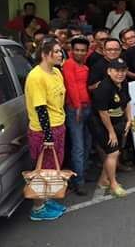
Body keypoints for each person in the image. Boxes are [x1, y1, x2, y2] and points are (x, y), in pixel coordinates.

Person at [25, 39, 67, 221]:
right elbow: (40, 109)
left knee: (53, 170)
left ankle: (46, 200)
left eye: (60, 51)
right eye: (56, 51)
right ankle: (38, 209)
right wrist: (48, 136)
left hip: (59, 126)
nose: (60, 54)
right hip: (44, 131)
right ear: (44, 54)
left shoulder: (56, 72)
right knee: (43, 171)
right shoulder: (36, 77)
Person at [89, 59, 132, 198]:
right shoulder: (104, 88)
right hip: (100, 123)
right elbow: (103, 113)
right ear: (109, 71)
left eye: (123, 70)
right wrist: (111, 132)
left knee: (114, 152)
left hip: (117, 120)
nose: (120, 74)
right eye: (117, 70)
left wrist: (129, 119)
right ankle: (113, 184)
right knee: (113, 152)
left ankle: (103, 180)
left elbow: (127, 102)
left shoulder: (124, 83)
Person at [62, 36, 92, 196]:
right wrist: (78, 106)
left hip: (87, 107)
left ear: (87, 52)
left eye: (83, 50)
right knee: (78, 146)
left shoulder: (85, 66)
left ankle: (82, 174)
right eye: (77, 50)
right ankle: (78, 181)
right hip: (75, 109)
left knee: (87, 143)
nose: (80, 53)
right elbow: (71, 85)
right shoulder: (69, 64)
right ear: (71, 51)